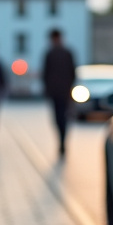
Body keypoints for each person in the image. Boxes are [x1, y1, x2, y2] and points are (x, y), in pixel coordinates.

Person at [41, 28, 76, 157]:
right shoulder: (61, 53)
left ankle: (62, 141)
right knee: (60, 118)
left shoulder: (56, 53)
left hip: (60, 92)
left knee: (60, 118)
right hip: (60, 92)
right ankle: (61, 141)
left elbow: (46, 74)